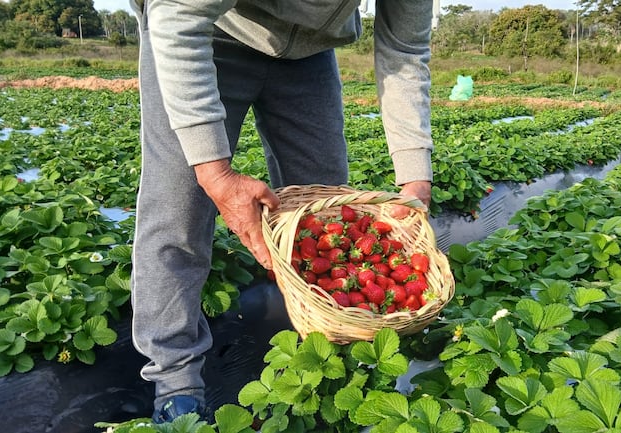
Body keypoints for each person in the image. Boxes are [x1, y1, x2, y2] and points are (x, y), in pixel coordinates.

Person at [127, 0, 435, 424]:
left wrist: (416, 178)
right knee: (178, 212)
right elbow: (179, 15)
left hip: (308, 52)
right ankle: (175, 381)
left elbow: (405, 51)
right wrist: (216, 174)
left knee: (324, 219)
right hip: (208, 30)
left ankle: (328, 347)